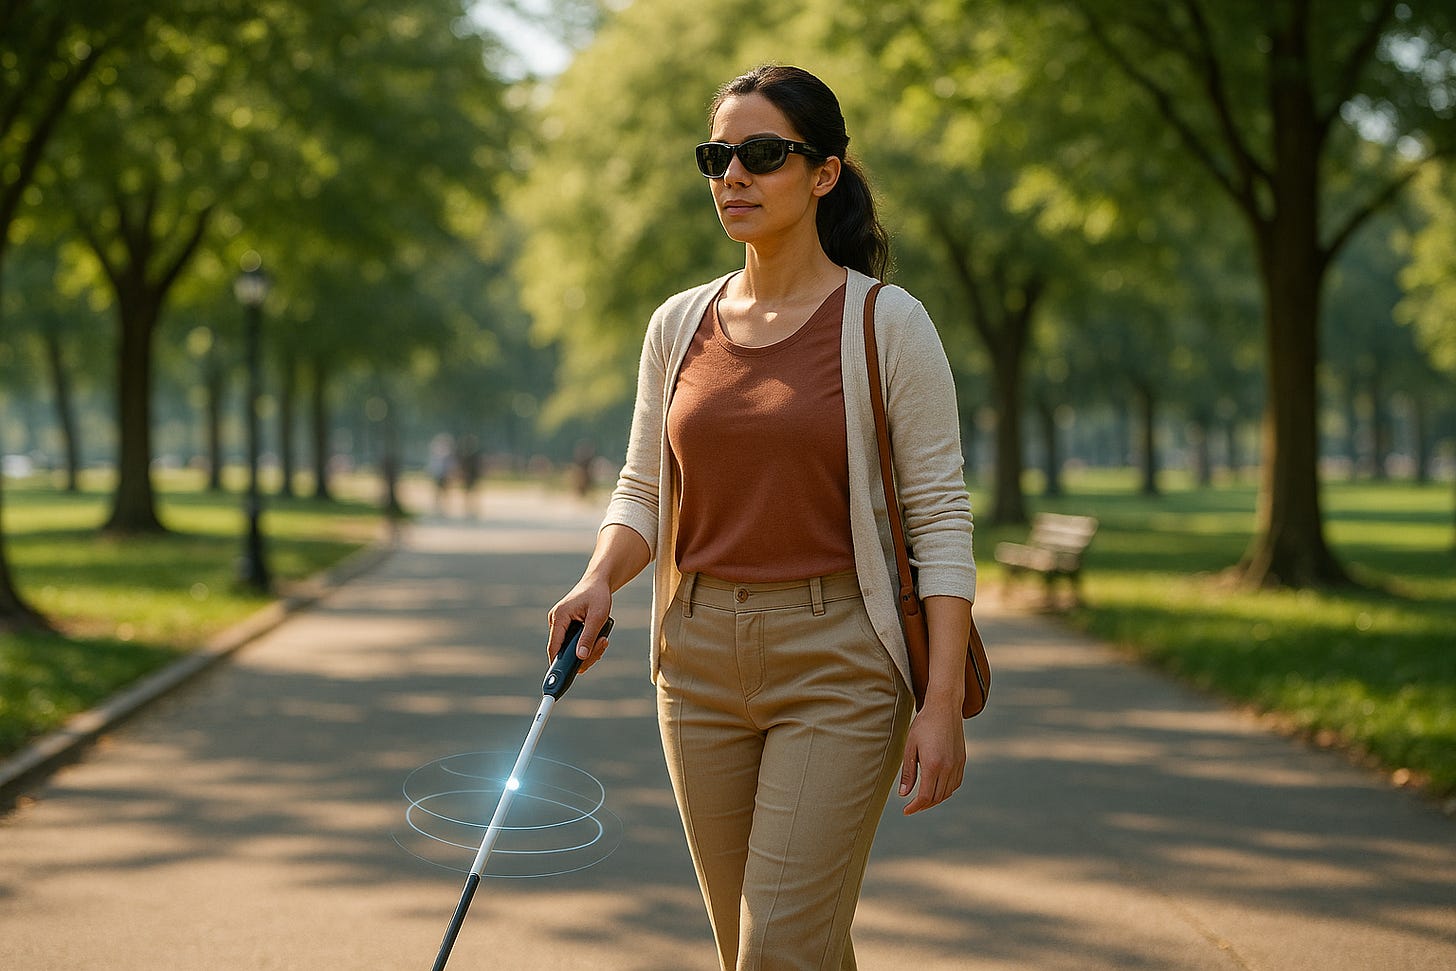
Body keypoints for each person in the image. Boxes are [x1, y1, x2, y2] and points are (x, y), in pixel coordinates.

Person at [547, 64, 976, 971]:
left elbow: (939, 520)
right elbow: (643, 488)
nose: (732, 176)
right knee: (767, 942)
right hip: (695, 659)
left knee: (779, 944)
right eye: (718, 155)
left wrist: (940, 705)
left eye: (762, 154)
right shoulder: (678, 324)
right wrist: (597, 577)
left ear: (824, 172)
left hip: (840, 661)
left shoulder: (887, 323)